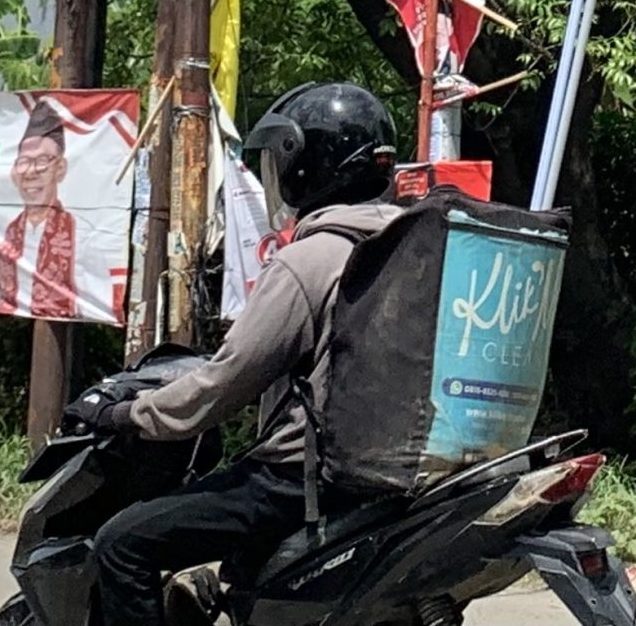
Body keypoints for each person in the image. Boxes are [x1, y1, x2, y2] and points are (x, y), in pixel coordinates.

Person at [73, 83, 400, 626]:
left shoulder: (311, 259)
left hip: (300, 482)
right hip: (389, 476)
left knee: (121, 544)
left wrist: (126, 414)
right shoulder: (407, 249)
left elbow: (226, 383)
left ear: (307, 164)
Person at [0, 103, 78, 318]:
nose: (31, 172)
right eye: (24, 162)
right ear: (14, 173)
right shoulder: (8, 233)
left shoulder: (80, 232)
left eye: (42, 161)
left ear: (60, 169)